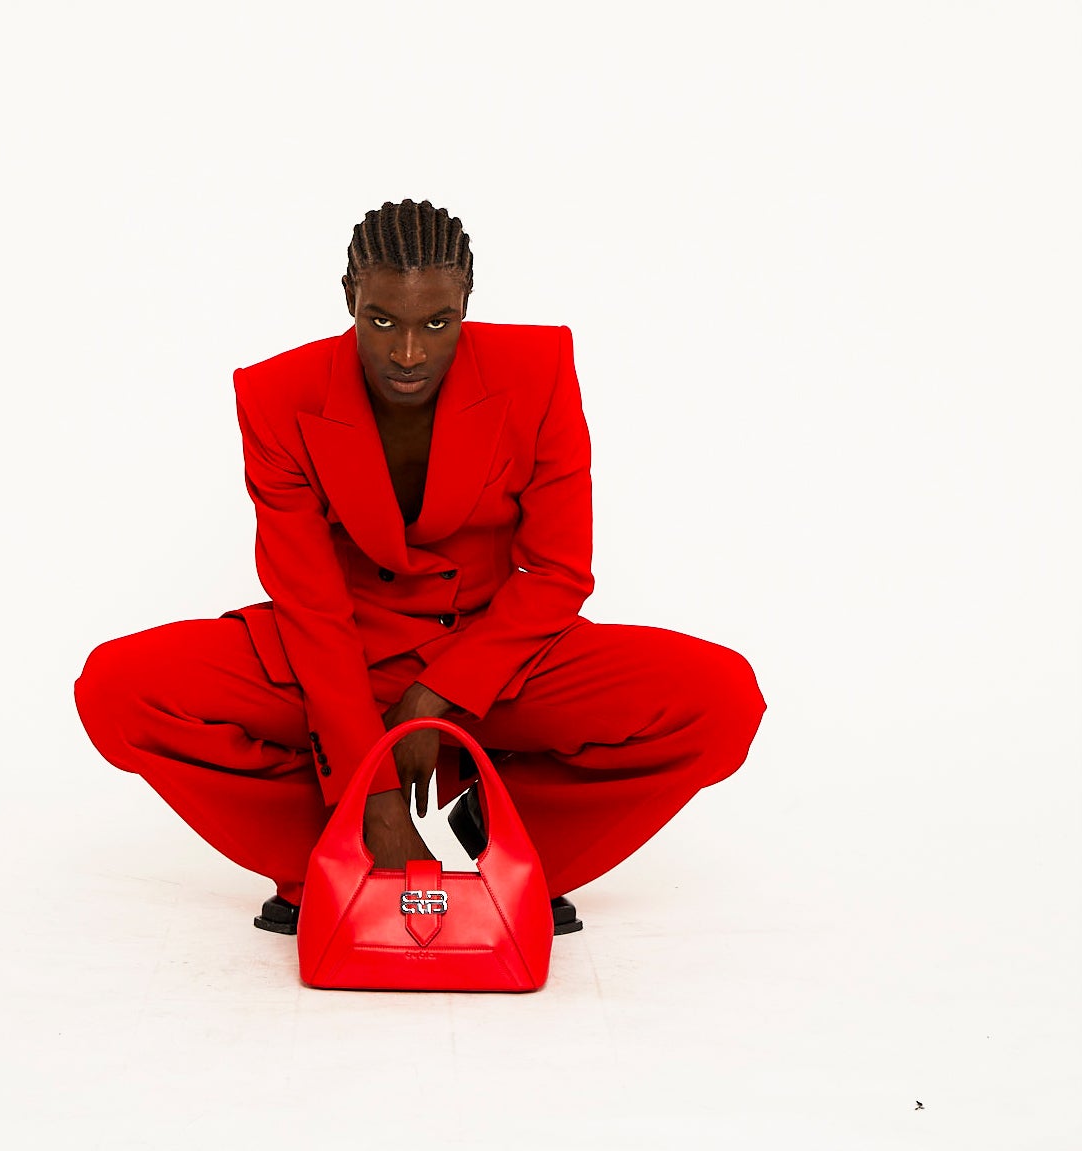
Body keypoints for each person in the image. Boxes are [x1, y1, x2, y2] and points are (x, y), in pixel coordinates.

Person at [73, 200, 766, 936]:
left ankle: (502, 851)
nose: (408, 352)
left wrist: (438, 697)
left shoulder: (538, 372)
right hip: (341, 654)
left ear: (466, 303)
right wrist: (372, 794)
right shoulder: (277, 395)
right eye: (382, 321)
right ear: (349, 297)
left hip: (495, 659)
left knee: (721, 700)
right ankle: (337, 860)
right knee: (117, 688)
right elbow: (310, 606)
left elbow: (558, 572)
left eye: (437, 323)